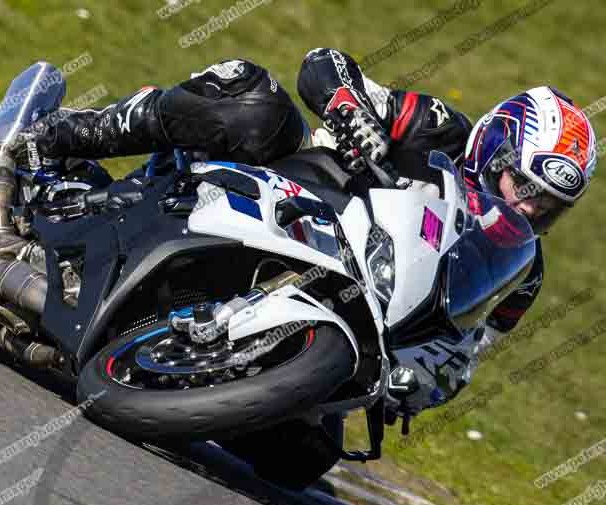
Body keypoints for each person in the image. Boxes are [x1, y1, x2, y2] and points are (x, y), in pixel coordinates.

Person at [33, 48, 597, 416]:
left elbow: (467, 352)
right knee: (255, 103)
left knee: (303, 461)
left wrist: (423, 384)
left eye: (548, 206)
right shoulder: (439, 129)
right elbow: (324, 65)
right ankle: (64, 134)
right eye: (521, 184)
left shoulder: (520, 267)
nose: (526, 207)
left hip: (350, 316)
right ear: (494, 146)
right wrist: (353, 114)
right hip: (289, 202)